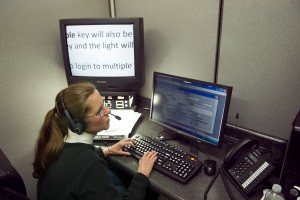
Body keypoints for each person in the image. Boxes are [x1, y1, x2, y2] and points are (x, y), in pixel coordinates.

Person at [32, 82, 158, 200]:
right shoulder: (89, 164)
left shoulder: (56, 141)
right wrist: (141, 175)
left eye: (103, 104)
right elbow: (83, 166)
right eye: (99, 111)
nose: (108, 111)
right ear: (78, 124)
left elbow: (75, 164)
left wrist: (107, 150)